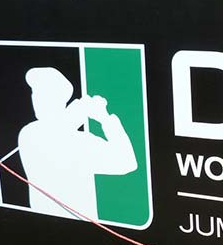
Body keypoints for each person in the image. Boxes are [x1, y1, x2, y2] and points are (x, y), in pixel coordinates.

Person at [18, 67, 137, 220]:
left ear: (59, 99)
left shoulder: (80, 141)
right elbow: (55, 134)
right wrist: (98, 114)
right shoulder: (29, 133)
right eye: (35, 92)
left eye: (44, 94)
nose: (36, 99)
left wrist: (105, 118)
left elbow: (127, 162)